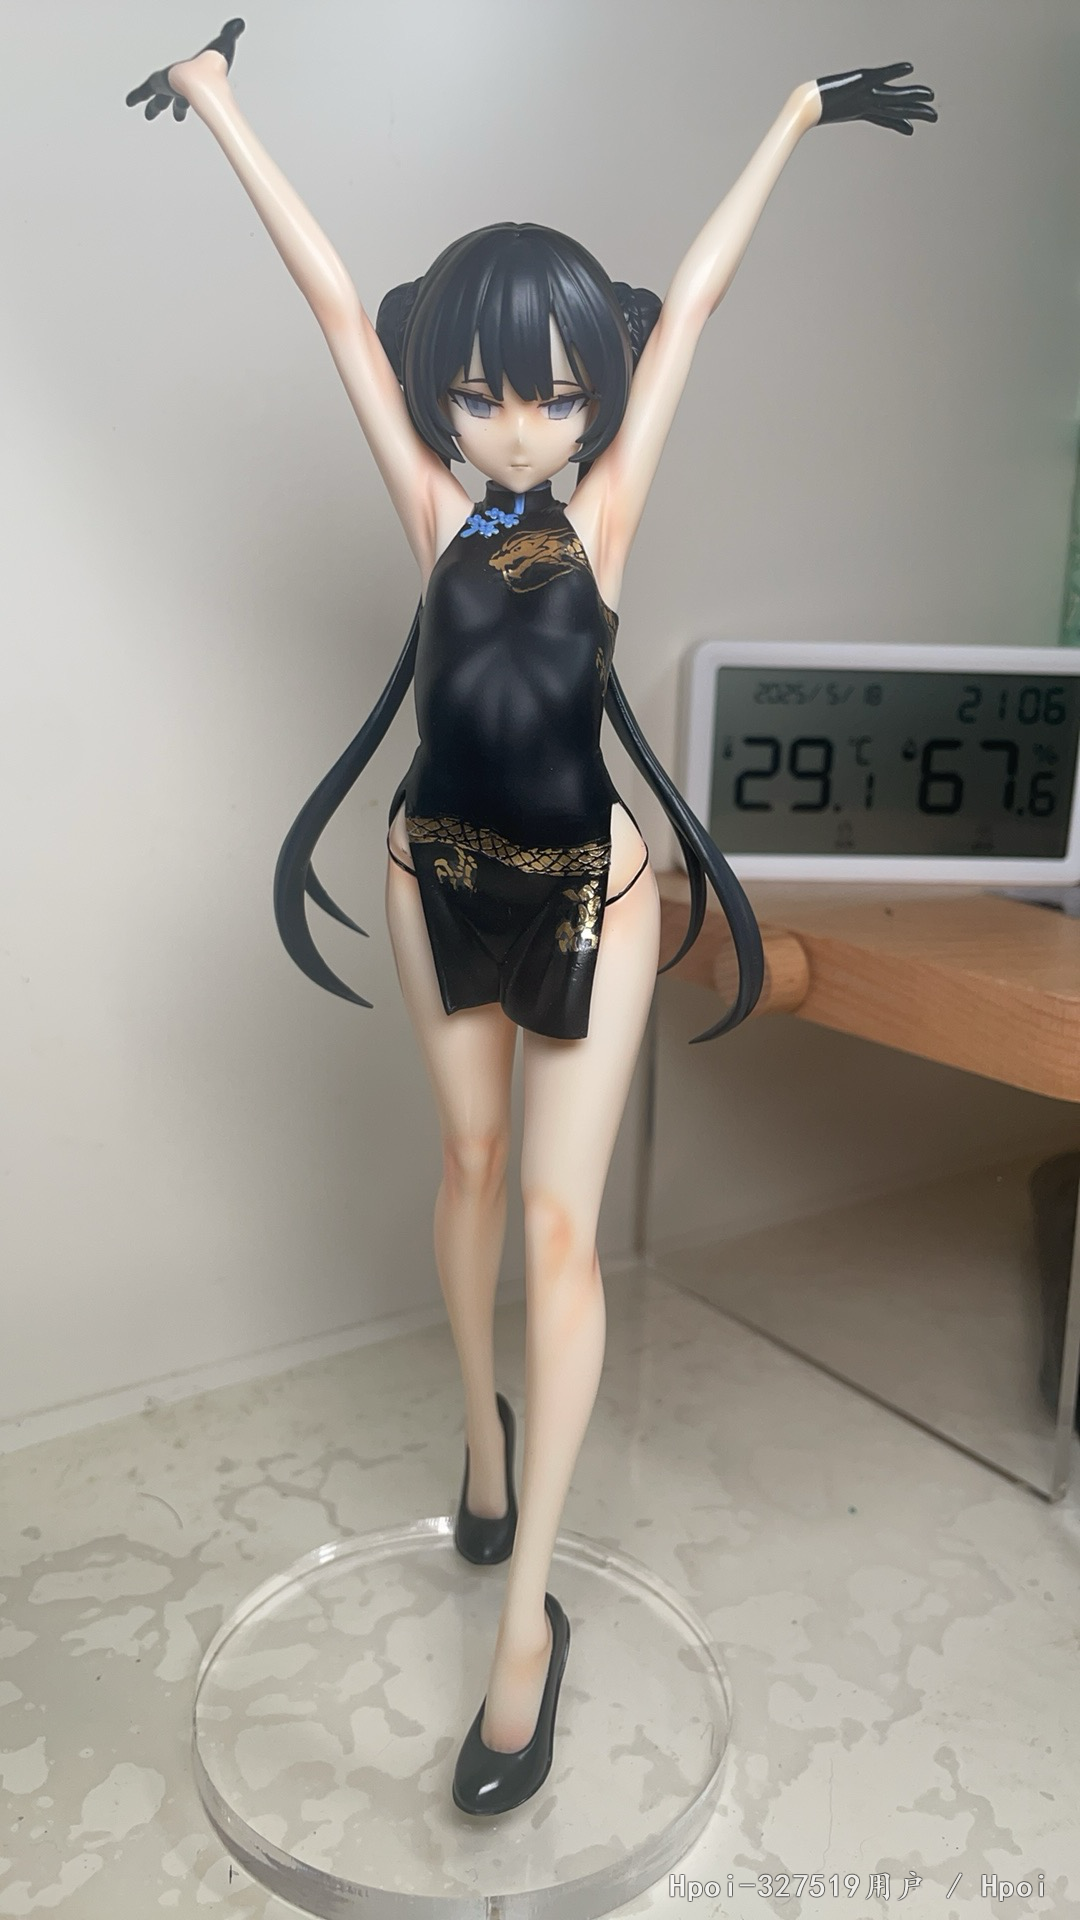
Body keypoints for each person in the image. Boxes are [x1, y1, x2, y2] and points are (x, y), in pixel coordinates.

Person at [127, 22, 935, 1815]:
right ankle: (481, 1449)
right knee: (473, 1172)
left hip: (589, 897)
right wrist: (221, 100)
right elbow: (333, 306)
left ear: (596, 397)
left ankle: (523, 1640)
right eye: (490, 393)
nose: (522, 424)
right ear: (448, 394)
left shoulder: (609, 517)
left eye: (557, 396)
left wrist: (793, 114)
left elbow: (698, 304)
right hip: (434, 873)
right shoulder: (433, 506)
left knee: (558, 1232)